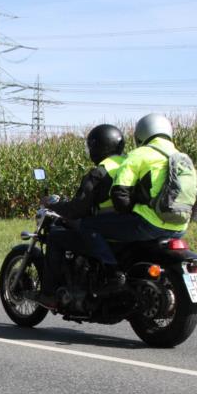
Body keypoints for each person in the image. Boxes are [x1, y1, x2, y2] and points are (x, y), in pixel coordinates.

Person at [78, 113, 191, 282]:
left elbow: (119, 194)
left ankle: (111, 272)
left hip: (149, 224)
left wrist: (127, 210)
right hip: (180, 227)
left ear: (141, 134)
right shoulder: (183, 158)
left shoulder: (140, 154)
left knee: (88, 225)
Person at [37, 124, 126, 307]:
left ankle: (49, 295)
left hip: (103, 226)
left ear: (98, 146)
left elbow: (77, 209)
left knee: (55, 237)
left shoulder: (100, 172)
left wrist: (54, 205)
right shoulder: (129, 164)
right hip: (126, 226)